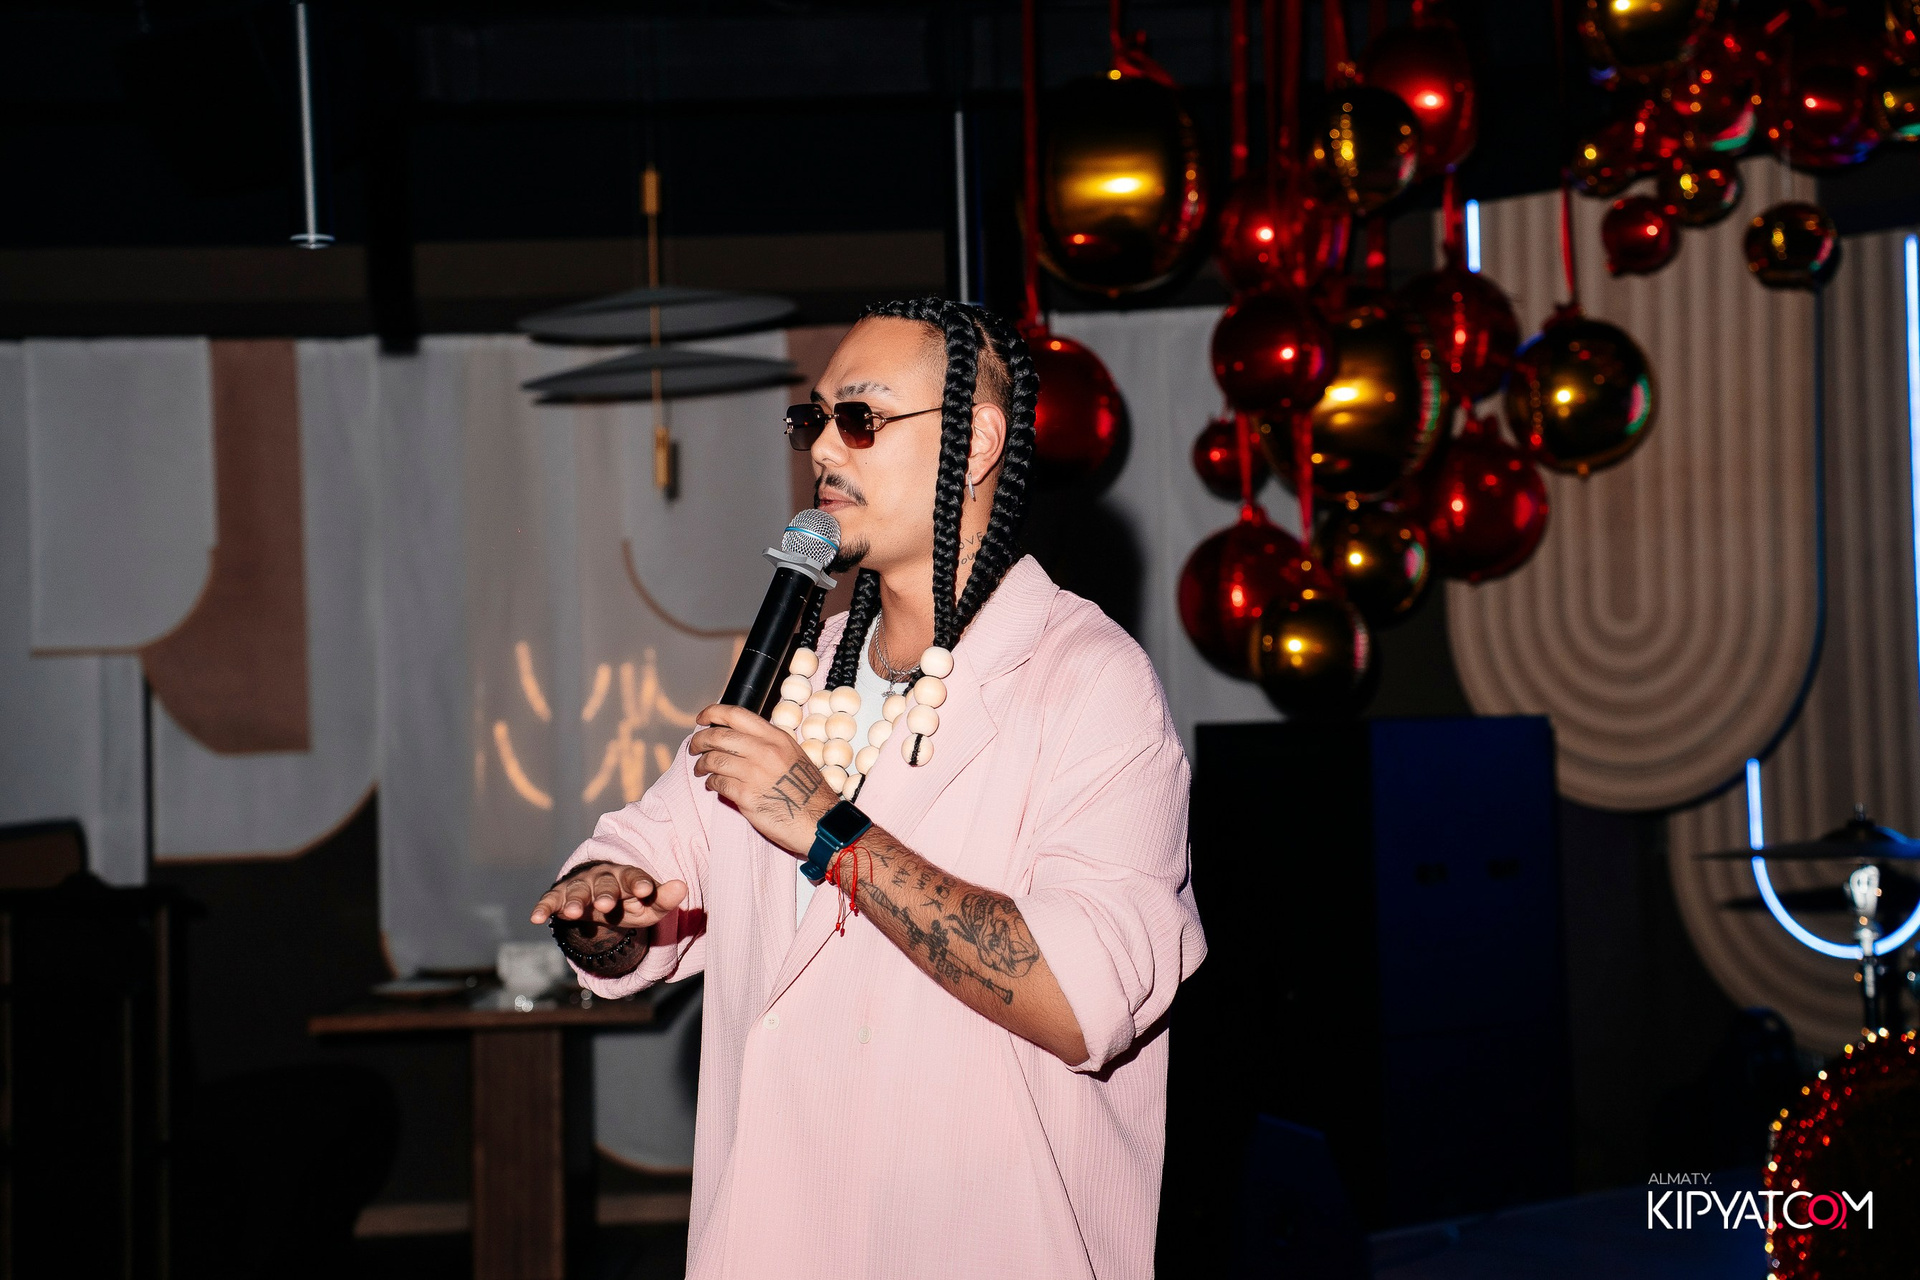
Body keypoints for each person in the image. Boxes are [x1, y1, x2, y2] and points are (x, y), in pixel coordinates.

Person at [531, 298, 1204, 1280]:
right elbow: (643, 868)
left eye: (860, 417)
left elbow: (1079, 996)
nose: (822, 450)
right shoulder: (794, 673)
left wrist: (825, 827)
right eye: (814, 419)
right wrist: (603, 907)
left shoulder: (1086, 679)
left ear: (976, 443)